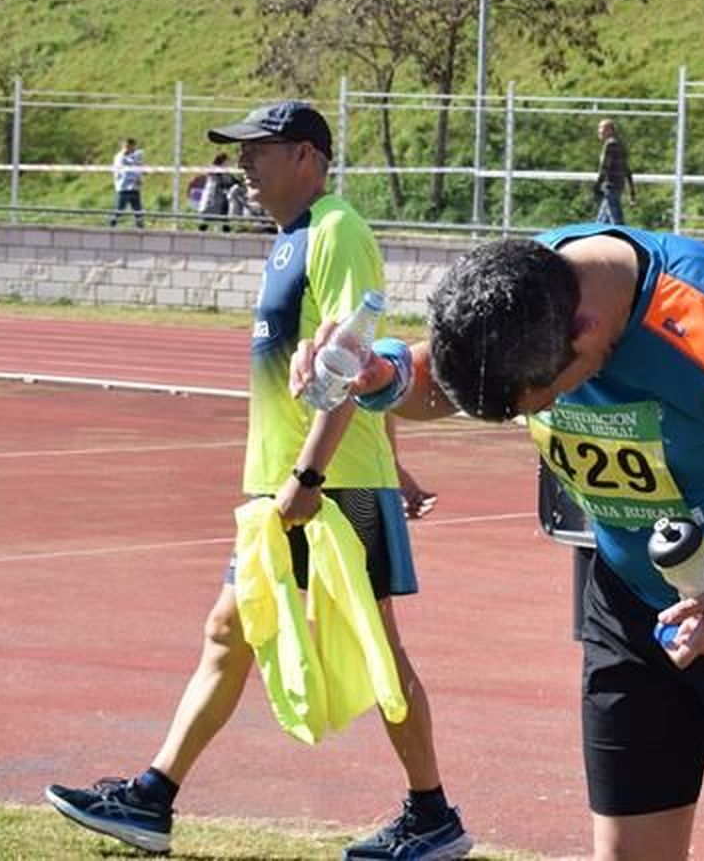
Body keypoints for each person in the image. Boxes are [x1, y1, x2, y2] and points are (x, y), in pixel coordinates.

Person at [295, 225, 704, 859]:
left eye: (547, 399)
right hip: (631, 603)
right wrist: (380, 377)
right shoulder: (522, 295)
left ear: (583, 331)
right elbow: (437, 383)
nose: (549, 411)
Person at [47, 101, 470, 861]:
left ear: (306, 156)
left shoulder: (337, 230)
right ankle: (153, 798)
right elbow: (356, 366)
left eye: (258, 150)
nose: (243, 165)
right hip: (291, 485)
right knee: (226, 631)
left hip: (324, 487)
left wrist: (314, 473)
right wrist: (389, 456)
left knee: (378, 648)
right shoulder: (291, 240)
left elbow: (356, 354)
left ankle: (431, 814)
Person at [592, 119, 634, 225]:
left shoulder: (610, 145)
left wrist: (597, 185)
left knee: (617, 222)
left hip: (611, 186)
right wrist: (631, 189)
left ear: (610, 130)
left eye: (601, 128)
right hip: (618, 185)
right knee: (601, 222)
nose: (599, 131)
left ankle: (624, 239)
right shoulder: (620, 144)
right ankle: (597, 237)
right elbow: (627, 168)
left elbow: (604, 167)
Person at [196, 151, 240, 232]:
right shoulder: (215, 170)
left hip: (221, 198)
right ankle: (200, 232)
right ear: (223, 161)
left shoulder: (224, 171)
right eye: (227, 161)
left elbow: (231, 180)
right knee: (209, 216)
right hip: (213, 197)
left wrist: (236, 182)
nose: (229, 162)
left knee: (224, 215)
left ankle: (226, 230)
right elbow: (222, 181)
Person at [109, 137, 145, 228]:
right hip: (123, 188)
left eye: (134, 147)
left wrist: (140, 176)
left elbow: (138, 168)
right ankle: (112, 224)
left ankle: (140, 226)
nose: (133, 149)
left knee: (138, 209)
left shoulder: (136, 156)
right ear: (126, 146)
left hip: (134, 188)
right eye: (131, 147)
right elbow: (122, 170)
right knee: (120, 208)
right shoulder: (119, 157)